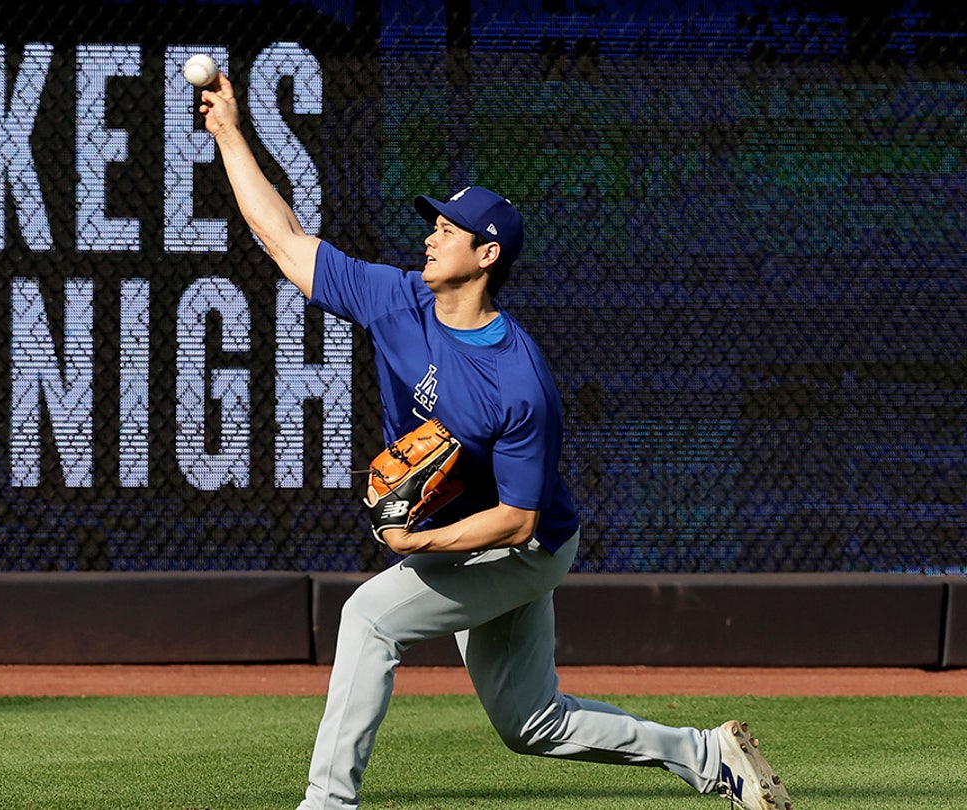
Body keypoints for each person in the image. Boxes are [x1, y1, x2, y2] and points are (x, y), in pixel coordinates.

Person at [198, 72, 793, 810]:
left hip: (521, 547)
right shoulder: (398, 299)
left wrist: (416, 546)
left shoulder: (518, 380)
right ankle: (708, 756)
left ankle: (327, 802)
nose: (430, 234)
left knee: (368, 619)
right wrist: (227, 132)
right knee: (532, 724)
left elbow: (517, 520)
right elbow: (284, 241)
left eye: (447, 229)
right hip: (471, 532)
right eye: (435, 223)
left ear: (486, 256)